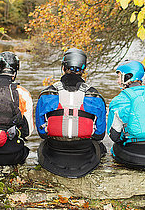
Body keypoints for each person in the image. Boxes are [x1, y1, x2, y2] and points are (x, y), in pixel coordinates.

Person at [35, 48, 106, 178]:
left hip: (54, 153)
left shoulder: (47, 94)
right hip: (84, 155)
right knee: (101, 147)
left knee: (42, 145)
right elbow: (100, 134)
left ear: (63, 67)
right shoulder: (95, 96)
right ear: (83, 70)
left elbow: (42, 133)